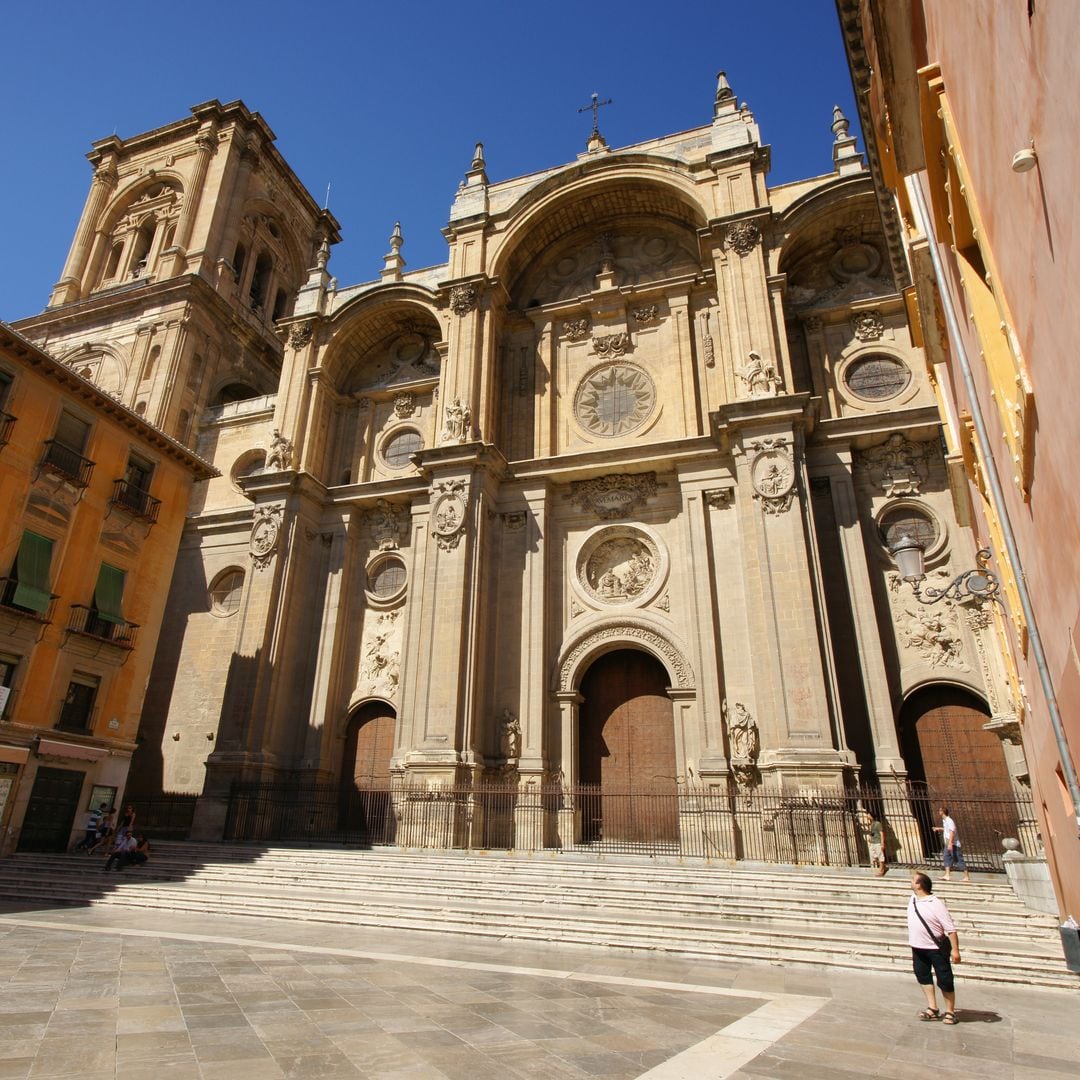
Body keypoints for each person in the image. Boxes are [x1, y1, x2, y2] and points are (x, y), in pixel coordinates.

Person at [908, 871, 961, 1025]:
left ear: (919, 885)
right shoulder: (912, 900)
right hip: (918, 947)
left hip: (935, 948)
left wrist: (955, 950)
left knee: (945, 979)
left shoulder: (935, 903)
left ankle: (950, 1012)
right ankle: (933, 1008)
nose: (911, 882)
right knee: (923, 976)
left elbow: (950, 929)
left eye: (913, 880)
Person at [933, 806, 971, 882]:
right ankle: (947, 875)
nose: (939, 812)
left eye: (940, 810)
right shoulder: (945, 821)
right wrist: (939, 829)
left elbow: (952, 832)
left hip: (954, 844)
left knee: (958, 859)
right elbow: (948, 830)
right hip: (948, 844)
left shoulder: (949, 820)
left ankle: (966, 876)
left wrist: (950, 843)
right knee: (946, 858)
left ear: (942, 812)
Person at [867, 811, 886, 876]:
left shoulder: (878, 823)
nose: (867, 816)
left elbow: (881, 833)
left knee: (880, 856)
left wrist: (882, 843)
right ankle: (883, 866)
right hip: (873, 842)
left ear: (871, 816)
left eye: (868, 814)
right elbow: (872, 833)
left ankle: (881, 871)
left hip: (878, 842)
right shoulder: (871, 824)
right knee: (874, 856)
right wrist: (870, 837)